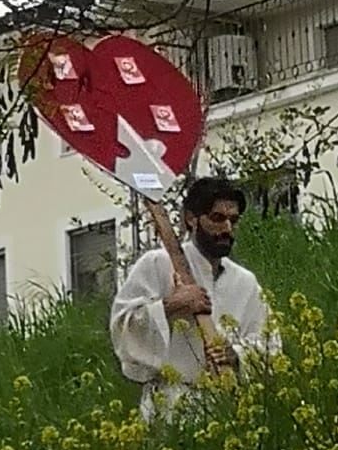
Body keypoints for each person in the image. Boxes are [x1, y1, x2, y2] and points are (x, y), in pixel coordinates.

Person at [110, 175, 277, 423]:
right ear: (191, 218)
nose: (227, 229)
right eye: (217, 218)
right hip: (170, 407)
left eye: (233, 220)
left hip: (229, 410)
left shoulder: (246, 282)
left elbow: (269, 345)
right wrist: (171, 306)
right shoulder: (158, 264)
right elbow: (122, 328)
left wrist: (236, 355)